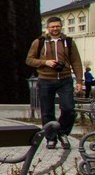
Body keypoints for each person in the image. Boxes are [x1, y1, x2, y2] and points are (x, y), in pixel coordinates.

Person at [25, 16, 83, 149]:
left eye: (57, 26)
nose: (55, 29)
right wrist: (45, 62)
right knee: (47, 111)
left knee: (69, 109)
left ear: (61, 26)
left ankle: (62, 132)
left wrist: (79, 81)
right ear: (47, 28)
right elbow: (29, 60)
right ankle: (50, 138)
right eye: (52, 26)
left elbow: (76, 62)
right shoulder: (39, 42)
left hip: (65, 79)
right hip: (45, 79)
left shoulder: (68, 42)